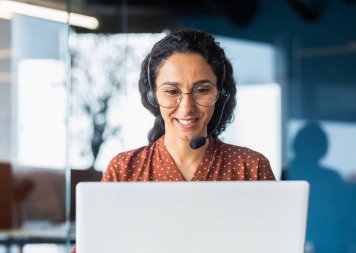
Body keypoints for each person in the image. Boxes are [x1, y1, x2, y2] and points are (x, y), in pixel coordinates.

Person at [71, 29, 275, 253]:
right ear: (153, 96)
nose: (187, 107)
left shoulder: (250, 168)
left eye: (202, 90)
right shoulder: (124, 170)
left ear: (220, 94)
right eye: (171, 90)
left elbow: (278, 245)